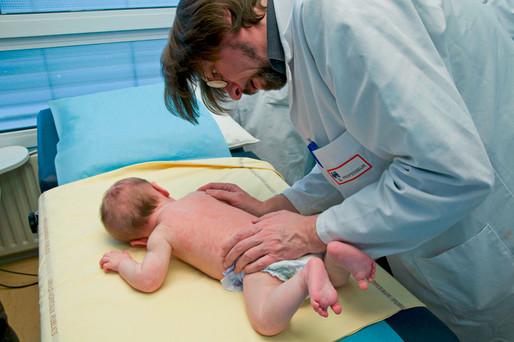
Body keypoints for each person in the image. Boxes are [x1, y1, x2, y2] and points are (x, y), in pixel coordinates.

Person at [160, 0, 514, 340]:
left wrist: (313, 231)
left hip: (484, 232)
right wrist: (285, 205)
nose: (234, 94)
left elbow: (448, 172)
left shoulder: (341, 13)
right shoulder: (308, 38)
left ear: (225, 19)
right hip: (435, 244)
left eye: (217, 76)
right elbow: (359, 153)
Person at [98, 177, 376, 336]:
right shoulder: (199, 195)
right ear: (160, 189)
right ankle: (334, 256)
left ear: (140, 241)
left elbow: (149, 279)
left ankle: (305, 276)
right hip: (284, 236)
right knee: (337, 282)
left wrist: (124, 264)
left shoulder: (161, 234)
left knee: (265, 323)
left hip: (255, 261)